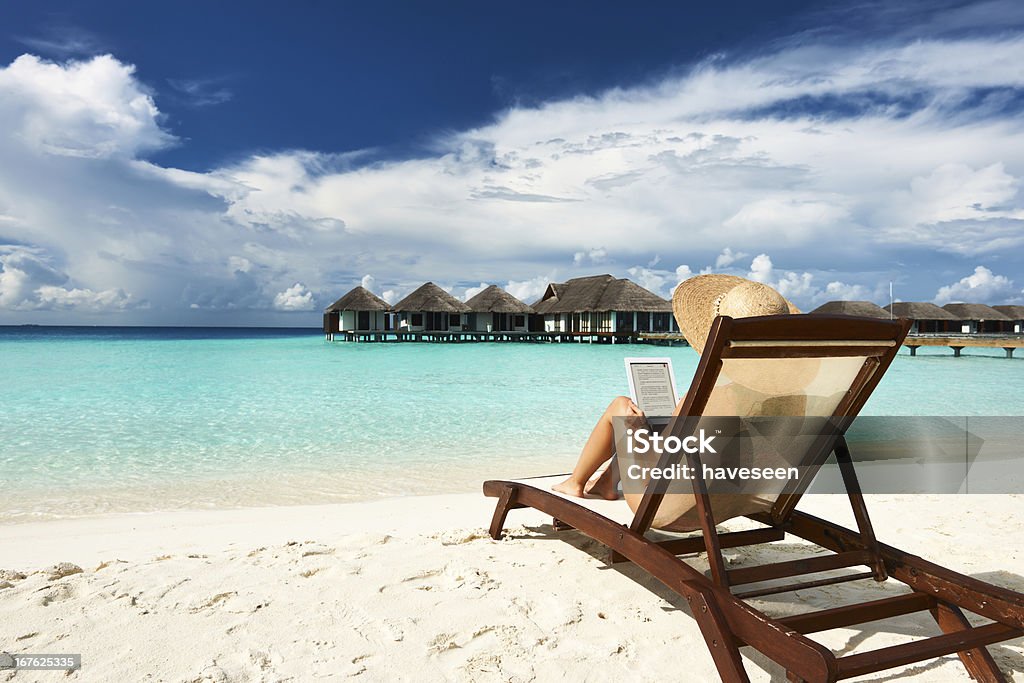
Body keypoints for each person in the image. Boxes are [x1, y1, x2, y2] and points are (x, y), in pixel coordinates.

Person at [552, 274, 799, 507]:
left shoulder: (715, 395)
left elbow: (665, 458)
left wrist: (639, 428)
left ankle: (575, 482)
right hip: (730, 502)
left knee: (622, 407)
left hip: (669, 505)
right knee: (659, 426)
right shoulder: (790, 400)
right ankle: (606, 483)